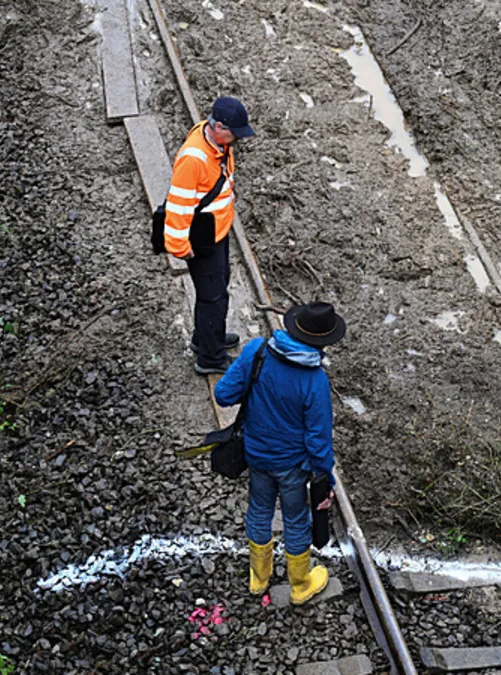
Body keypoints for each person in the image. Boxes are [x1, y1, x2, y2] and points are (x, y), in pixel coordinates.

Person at [213, 302, 346, 605]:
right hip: (292, 467)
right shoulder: (314, 382)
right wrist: (325, 479)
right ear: (322, 342)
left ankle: (258, 579)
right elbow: (319, 440)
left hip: (256, 455)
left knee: (259, 511)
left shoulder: (257, 352)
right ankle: (300, 585)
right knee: (297, 520)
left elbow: (223, 395)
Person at [164, 96, 256, 375]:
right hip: (202, 240)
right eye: (234, 134)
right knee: (214, 298)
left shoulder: (214, 142)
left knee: (216, 289)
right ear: (217, 127)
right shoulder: (194, 159)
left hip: (216, 231)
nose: (237, 141)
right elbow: (177, 205)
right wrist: (180, 247)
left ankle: (204, 338)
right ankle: (210, 358)